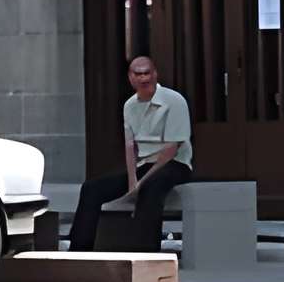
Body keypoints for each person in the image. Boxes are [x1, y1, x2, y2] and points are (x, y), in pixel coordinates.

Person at [71, 55, 193, 252]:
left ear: (155, 75)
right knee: (91, 189)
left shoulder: (174, 101)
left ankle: (147, 254)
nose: (143, 79)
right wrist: (131, 180)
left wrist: (140, 183)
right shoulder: (130, 105)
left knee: (151, 188)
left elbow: (172, 148)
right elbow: (130, 146)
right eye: (138, 74)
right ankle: (79, 251)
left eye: (147, 73)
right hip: (143, 165)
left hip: (175, 163)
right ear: (130, 77)